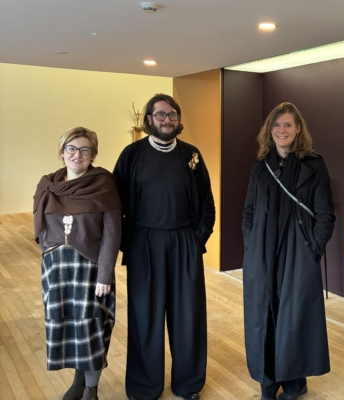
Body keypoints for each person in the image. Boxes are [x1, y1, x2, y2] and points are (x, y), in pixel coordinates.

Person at [113, 93, 215, 400]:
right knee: (145, 317)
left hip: (185, 244)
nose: (167, 120)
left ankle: (188, 384)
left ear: (178, 120)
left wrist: (197, 240)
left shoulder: (191, 155)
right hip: (144, 245)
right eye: (160, 115)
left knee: (188, 317)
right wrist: (129, 244)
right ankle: (145, 387)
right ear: (149, 120)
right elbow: (115, 205)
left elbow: (207, 203)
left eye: (172, 115)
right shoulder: (132, 155)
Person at [242, 102, 336, 400]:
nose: (281, 130)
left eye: (287, 125)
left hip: (298, 251)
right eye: (276, 125)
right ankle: (268, 383)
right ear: (269, 130)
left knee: (294, 317)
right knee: (264, 314)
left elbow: (325, 214)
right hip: (262, 251)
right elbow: (249, 210)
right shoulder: (260, 164)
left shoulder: (315, 164)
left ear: (298, 129)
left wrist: (313, 249)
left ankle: (295, 383)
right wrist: (250, 243)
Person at [33, 127, 122, 400]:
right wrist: (49, 252)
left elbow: (113, 233)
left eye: (85, 149)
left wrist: (105, 274)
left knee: (91, 329)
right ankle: (78, 381)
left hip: (91, 269)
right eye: (71, 148)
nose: (77, 154)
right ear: (62, 153)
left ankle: (91, 390)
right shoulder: (48, 185)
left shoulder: (104, 184)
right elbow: (39, 222)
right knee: (68, 328)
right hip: (57, 270)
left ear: (93, 154)